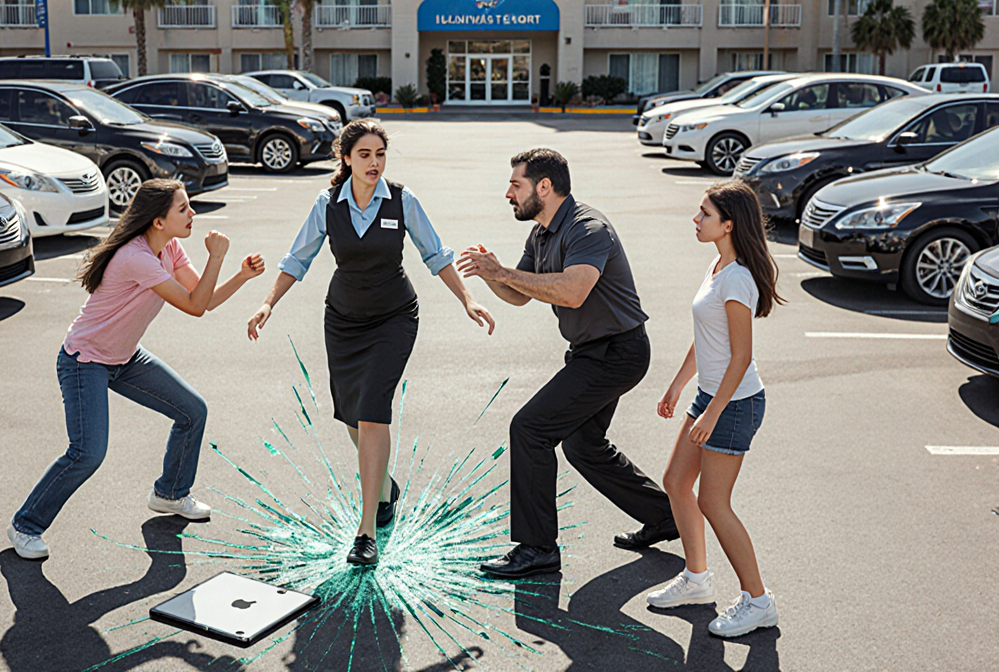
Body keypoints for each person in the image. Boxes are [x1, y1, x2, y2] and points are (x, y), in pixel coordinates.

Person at [247, 119, 494, 566]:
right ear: (346, 158)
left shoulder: (402, 200)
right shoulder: (328, 204)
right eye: (364, 154)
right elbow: (296, 258)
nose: (374, 163)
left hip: (394, 318)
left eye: (380, 154)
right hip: (343, 321)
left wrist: (468, 299)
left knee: (374, 411)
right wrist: (268, 304)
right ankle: (386, 486)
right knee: (351, 416)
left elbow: (436, 254)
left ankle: (366, 532)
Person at [7, 179, 264, 560]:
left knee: (192, 411)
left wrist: (240, 276)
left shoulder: (170, 248)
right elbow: (194, 306)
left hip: (124, 357)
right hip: (86, 360)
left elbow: (203, 301)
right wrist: (217, 256)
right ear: (158, 221)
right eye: (183, 209)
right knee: (87, 453)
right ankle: (25, 525)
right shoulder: (135, 257)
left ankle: (170, 494)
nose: (192, 214)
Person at [458, 148, 676, 579]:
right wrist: (492, 274)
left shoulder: (587, 228)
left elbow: (574, 291)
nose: (508, 194)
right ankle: (667, 515)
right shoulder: (540, 233)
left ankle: (538, 547)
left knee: (530, 428)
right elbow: (521, 294)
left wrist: (502, 273)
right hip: (591, 352)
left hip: (618, 352)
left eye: (515, 184)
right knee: (582, 444)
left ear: (544, 186)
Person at [645, 181, 783, 638]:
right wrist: (677, 385)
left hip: (735, 402)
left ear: (728, 224)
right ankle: (698, 580)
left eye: (703, 213)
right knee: (675, 482)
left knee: (713, 501)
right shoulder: (717, 265)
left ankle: (758, 601)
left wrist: (711, 413)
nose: (695, 219)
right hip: (711, 395)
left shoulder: (738, 278)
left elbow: (740, 355)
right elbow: (707, 338)